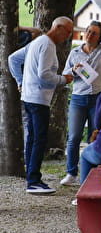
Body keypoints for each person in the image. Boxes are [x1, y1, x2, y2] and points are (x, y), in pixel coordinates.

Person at [8, 17, 74, 194]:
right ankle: (34, 180)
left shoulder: (38, 42)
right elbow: (44, 75)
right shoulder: (47, 45)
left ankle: (31, 175)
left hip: (29, 97)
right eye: (68, 31)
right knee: (39, 139)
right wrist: (64, 79)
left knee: (32, 139)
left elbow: (14, 59)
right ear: (58, 28)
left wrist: (21, 82)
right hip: (38, 99)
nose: (68, 36)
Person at [60, 21, 101, 185]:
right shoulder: (75, 53)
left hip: (99, 98)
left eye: (94, 33)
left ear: (100, 37)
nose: (89, 35)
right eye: (88, 31)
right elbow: (65, 73)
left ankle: (93, 171)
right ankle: (71, 173)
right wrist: (73, 70)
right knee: (73, 137)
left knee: (95, 135)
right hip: (79, 98)